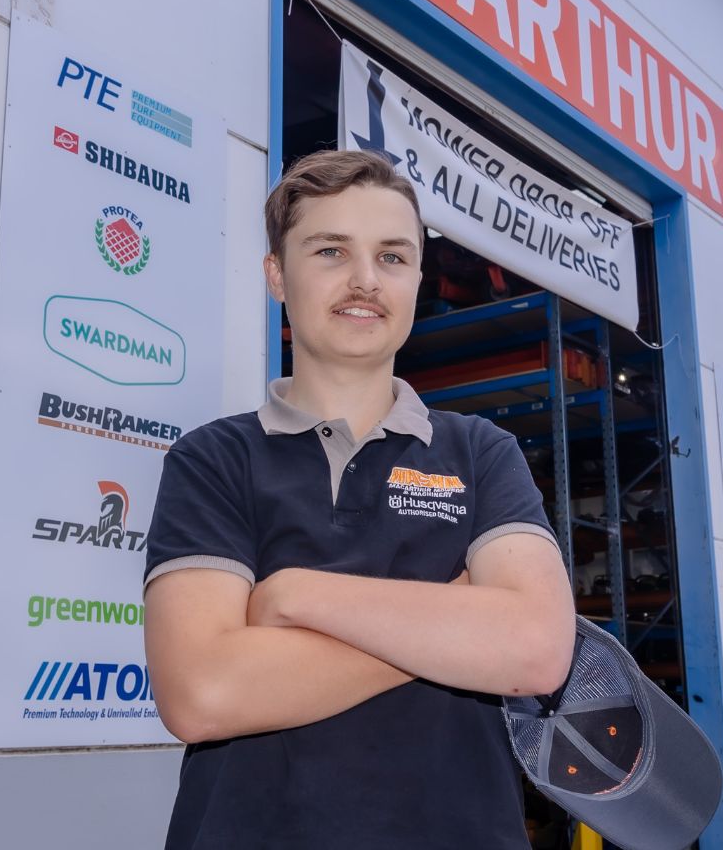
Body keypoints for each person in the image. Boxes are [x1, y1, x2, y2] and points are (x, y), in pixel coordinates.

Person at [143, 149, 577, 849]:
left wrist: (291, 595)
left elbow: (532, 650)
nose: (366, 280)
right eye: (330, 251)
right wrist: (455, 628)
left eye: (394, 257)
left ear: (416, 282)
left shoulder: (480, 453)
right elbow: (202, 693)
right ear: (277, 276)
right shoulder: (214, 460)